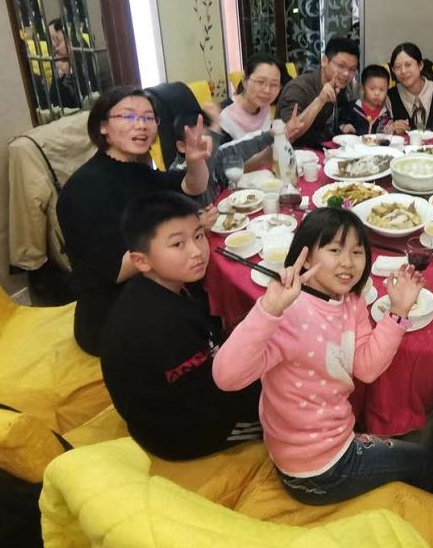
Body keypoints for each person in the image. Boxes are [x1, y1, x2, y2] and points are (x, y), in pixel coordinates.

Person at [212, 208, 433, 505]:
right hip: (317, 469)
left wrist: (398, 311)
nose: (348, 263)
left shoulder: (351, 301)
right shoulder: (287, 311)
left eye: (357, 252)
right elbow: (226, 376)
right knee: (425, 462)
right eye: (334, 250)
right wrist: (268, 310)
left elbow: (366, 367)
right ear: (305, 257)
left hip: (329, 442)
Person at [100, 192, 262, 460]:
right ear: (141, 260)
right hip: (183, 432)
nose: (197, 251)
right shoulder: (164, 326)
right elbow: (212, 401)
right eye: (178, 244)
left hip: (189, 396)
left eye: (198, 236)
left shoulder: (162, 285)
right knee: (286, 403)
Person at [57, 86, 212, 355]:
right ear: (103, 126)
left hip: (150, 293)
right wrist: (187, 233)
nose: (141, 125)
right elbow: (113, 270)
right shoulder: (85, 188)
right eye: (128, 116)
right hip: (112, 319)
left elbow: (191, 186)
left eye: (148, 117)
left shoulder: (136, 171)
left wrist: (195, 161)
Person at [276, 36, 359, 150]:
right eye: (341, 66)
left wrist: (343, 127)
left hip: (323, 149)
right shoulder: (298, 88)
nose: (346, 74)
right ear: (324, 61)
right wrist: (320, 100)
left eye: (352, 69)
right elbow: (289, 136)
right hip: (294, 153)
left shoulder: (343, 88)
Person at [386, 42, 433, 133]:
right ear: (393, 70)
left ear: (420, 65)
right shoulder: (390, 96)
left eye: (408, 65)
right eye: (397, 67)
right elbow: (381, 132)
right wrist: (391, 130)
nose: (403, 71)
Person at [221, 52, 289, 140]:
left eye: (274, 84)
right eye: (260, 82)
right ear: (245, 81)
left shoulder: (265, 107)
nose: (267, 90)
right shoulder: (224, 115)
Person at [338, 64, 394, 135]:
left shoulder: (385, 114)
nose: (377, 93)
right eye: (372, 89)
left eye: (382, 89)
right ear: (362, 88)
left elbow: (385, 135)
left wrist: (388, 131)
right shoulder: (351, 108)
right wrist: (344, 127)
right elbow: (338, 125)